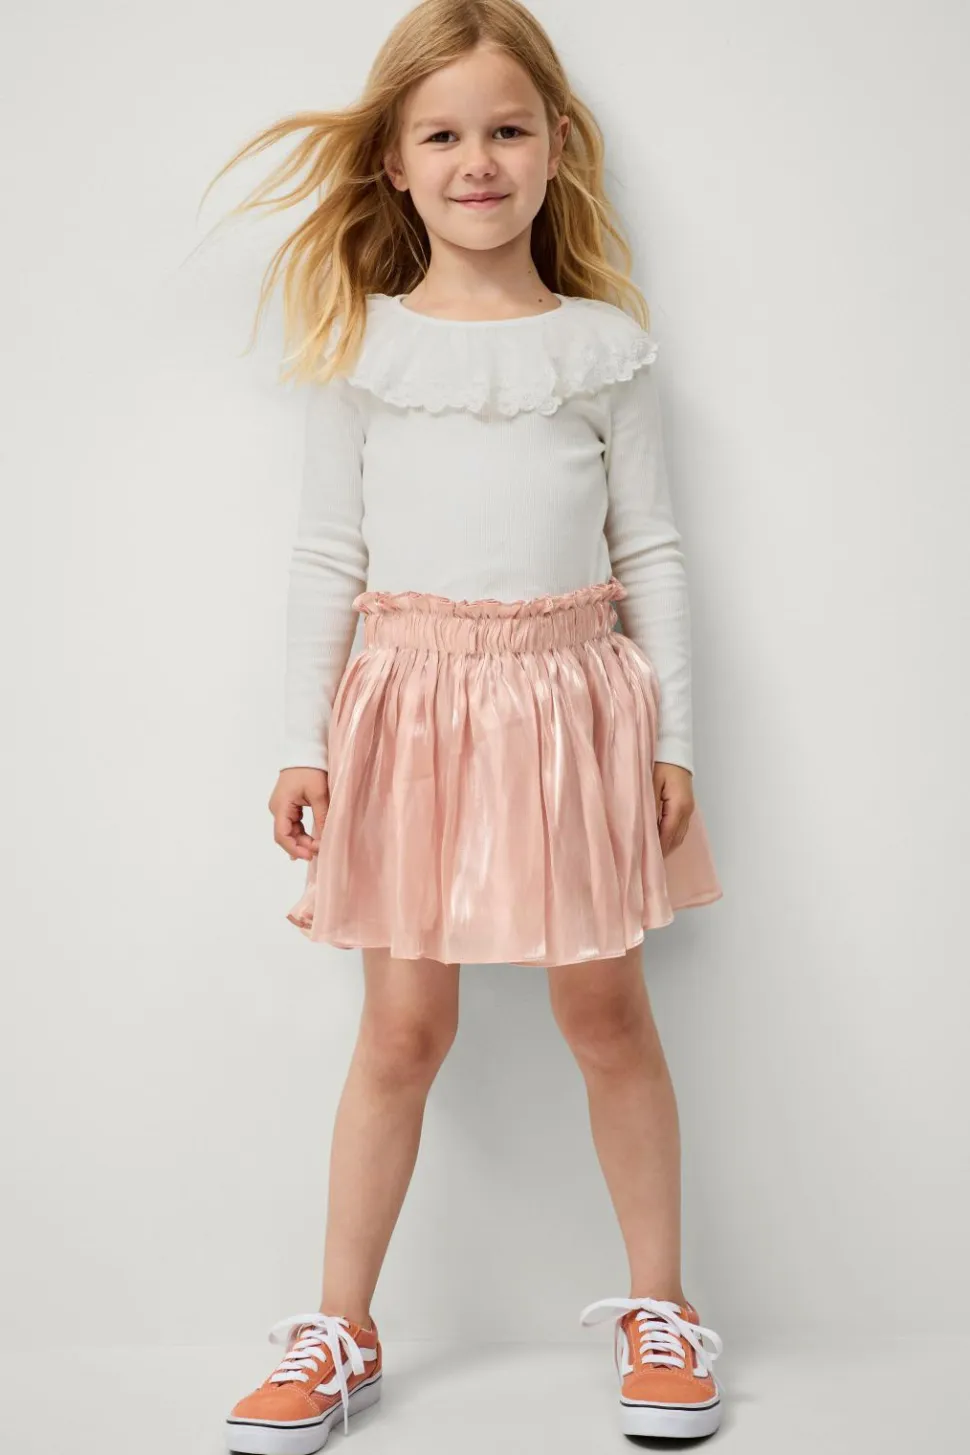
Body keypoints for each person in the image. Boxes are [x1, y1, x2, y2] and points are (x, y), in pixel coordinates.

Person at [210, 3, 727, 1450]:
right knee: (401, 1029)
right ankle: (341, 1326)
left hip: (572, 714)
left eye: (506, 129)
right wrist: (302, 740)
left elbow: (651, 549)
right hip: (412, 717)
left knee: (604, 1014)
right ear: (393, 161)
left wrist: (674, 742)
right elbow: (328, 554)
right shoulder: (360, 350)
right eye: (442, 134)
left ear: (557, 146)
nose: (477, 160)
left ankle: (664, 1303)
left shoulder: (604, 349)